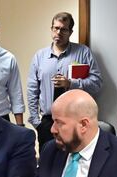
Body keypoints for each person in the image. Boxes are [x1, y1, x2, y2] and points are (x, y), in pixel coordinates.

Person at [27, 12, 102, 148]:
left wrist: (71, 83)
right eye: (56, 28)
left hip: (76, 120)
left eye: (63, 29)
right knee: (48, 158)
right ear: (51, 29)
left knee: (74, 156)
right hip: (48, 122)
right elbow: (32, 90)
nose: (59, 33)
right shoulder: (39, 57)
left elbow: (96, 83)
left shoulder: (83, 52)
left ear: (70, 32)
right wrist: (36, 122)